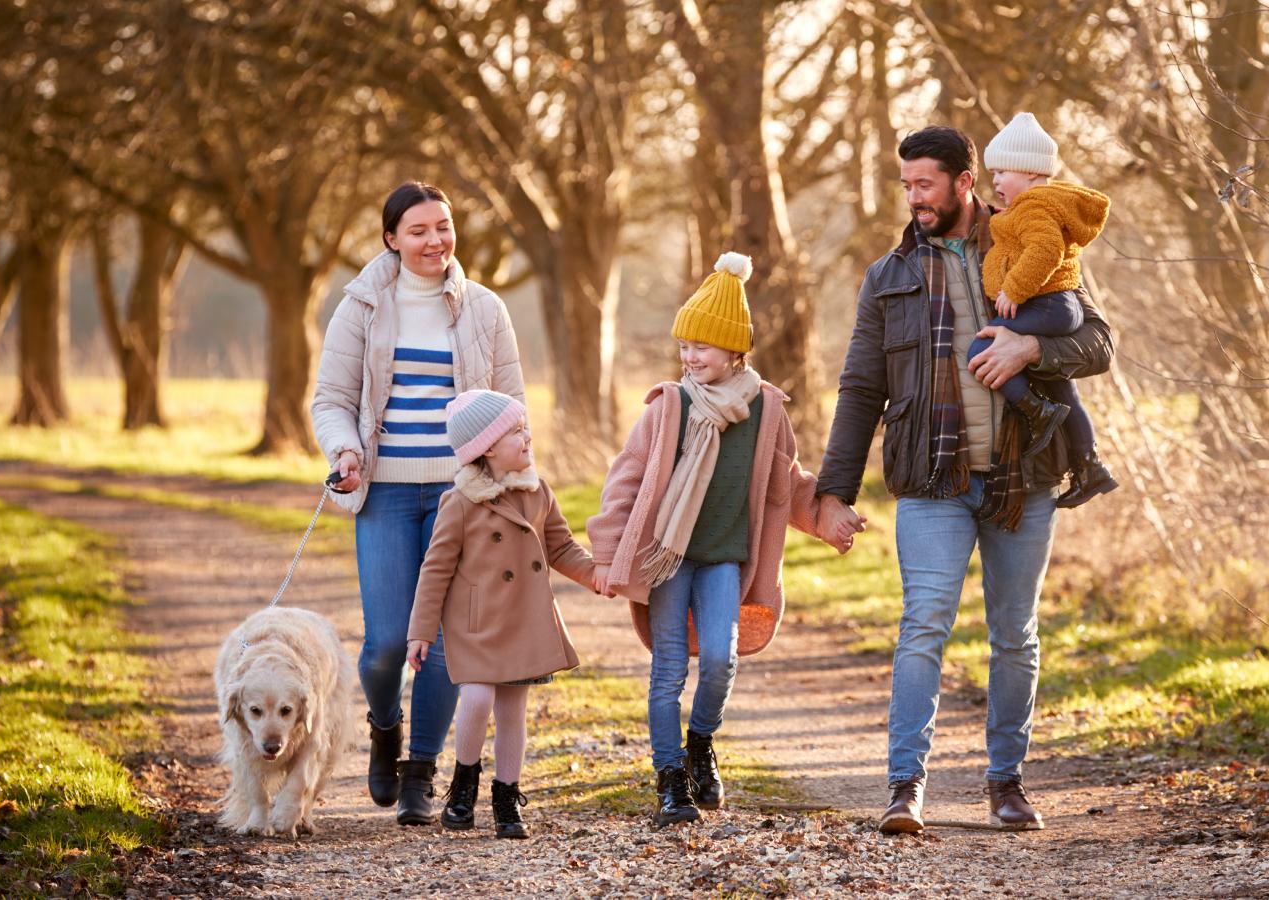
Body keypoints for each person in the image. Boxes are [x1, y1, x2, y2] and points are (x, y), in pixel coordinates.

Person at [815, 125, 1114, 834]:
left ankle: (1006, 783)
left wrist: (1031, 346)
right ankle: (904, 788)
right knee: (923, 625)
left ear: (963, 181)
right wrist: (833, 492)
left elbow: (1098, 341)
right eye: (907, 186)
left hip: (1024, 478)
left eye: (926, 184)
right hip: (930, 482)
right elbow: (860, 389)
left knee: (1014, 634)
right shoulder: (887, 277)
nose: (914, 198)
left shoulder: (1032, 240)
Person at [587, 252, 858, 828]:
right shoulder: (669, 407)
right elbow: (624, 482)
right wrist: (609, 557)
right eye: (684, 346)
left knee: (719, 658)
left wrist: (828, 517)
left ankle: (699, 743)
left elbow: (788, 484)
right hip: (667, 558)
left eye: (702, 348)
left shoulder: (766, 411)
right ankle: (669, 780)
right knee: (666, 670)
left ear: (736, 351)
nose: (690, 357)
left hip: (724, 561)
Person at [311, 181, 525, 826]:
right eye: (419, 231)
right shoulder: (361, 307)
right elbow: (331, 401)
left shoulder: (486, 309)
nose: (436, 241)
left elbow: (512, 407)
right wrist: (345, 452)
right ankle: (385, 725)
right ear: (391, 240)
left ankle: (421, 774)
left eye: (444, 227)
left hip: (464, 494)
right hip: (386, 492)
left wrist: (517, 485)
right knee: (384, 645)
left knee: (441, 642)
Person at [405, 390, 594, 839]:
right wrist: (421, 630)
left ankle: (507, 797)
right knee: (476, 699)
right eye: (515, 431)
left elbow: (561, 546)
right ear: (487, 447)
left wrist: (598, 577)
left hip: (524, 619)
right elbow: (435, 568)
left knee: (513, 711)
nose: (527, 437)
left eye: (525, 427)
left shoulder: (537, 490)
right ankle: (464, 784)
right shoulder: (460, 501)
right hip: (477, 622)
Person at [968, 111, 1118, 508]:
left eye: (1003, 171)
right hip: (1057, 305)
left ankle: (1036, 412)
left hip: (1049, 304)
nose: (995, 180)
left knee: (982, 348)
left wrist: (1014, 292)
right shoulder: (1033, 207)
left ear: (1033, 173)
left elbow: (1046, 250)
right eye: (993, 172)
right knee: (1062, 385)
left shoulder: (1035, 206)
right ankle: (1090, 467)